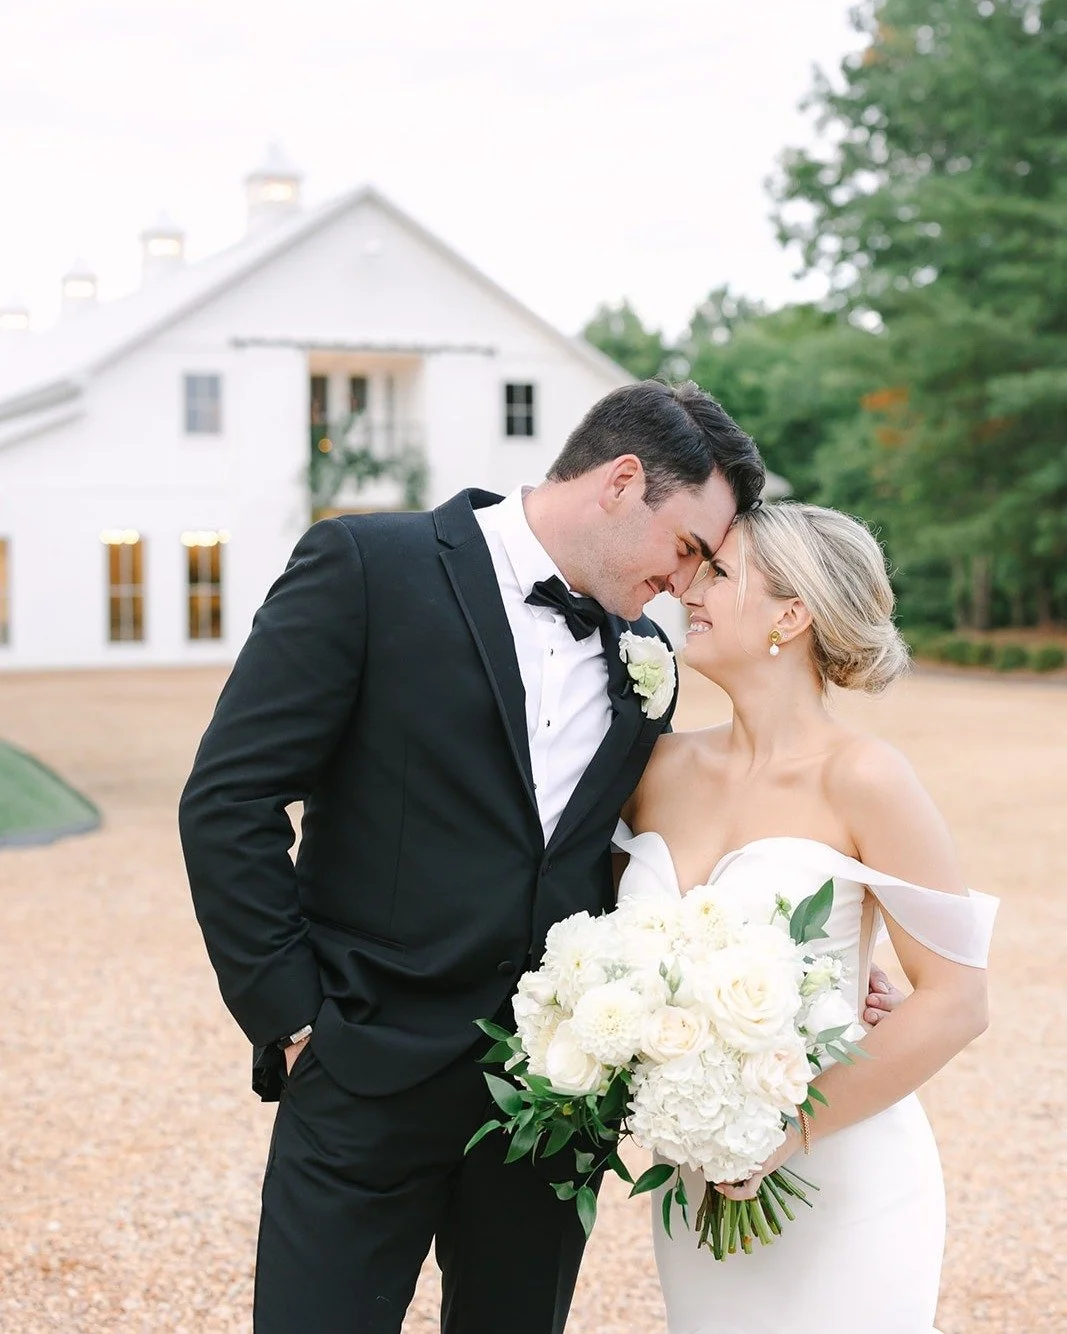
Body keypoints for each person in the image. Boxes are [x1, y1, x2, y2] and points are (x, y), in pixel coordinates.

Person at [616, 501, 997, 1334]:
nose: (687, 583)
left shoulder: (864, 778)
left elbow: (955, 999)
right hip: (692, 1186)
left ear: (790, 614)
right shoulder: (655, 767)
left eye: (718, 571)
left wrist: (782, 1135)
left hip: (841, 1175)